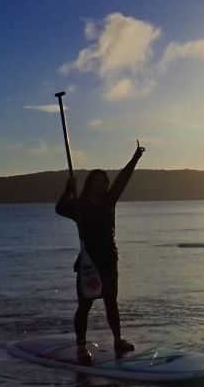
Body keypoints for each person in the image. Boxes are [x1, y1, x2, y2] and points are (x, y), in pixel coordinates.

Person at [56, 140, 145, 365]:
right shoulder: (80, 207)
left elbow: (122, 180)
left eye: (104, 182)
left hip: (109, 260)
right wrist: (67, 191)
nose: (102, 185)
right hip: (89, 263)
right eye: (98, 182)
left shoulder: (108, 202)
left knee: (111, 302)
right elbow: (59, 208)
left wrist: (135, 158)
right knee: (85, 305)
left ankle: (118, 339)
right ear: (90, 184)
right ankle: (81, 347)